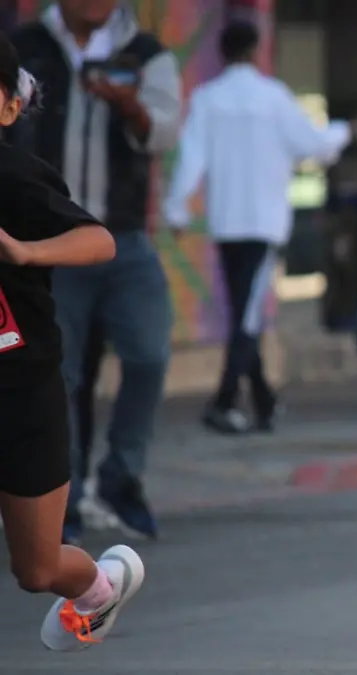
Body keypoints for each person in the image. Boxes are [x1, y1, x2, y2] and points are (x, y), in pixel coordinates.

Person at [9, 0, 183, 544]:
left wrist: (129, 104)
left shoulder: (146, 53)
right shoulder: (28, 44)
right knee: (58, 375)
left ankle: (121, 477)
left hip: (122, 234)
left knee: (150, 354)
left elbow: (164, 134)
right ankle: (65, 501)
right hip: (47, 238)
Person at [0, 40, 144, 652]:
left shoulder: (11, 177)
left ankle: (100, 587)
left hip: (20, 391)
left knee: (36, 570)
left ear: (9, 108)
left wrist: (27, 251)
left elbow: (98, 242)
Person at [163, 20, 350, 433]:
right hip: (264, 225)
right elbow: (313, 145)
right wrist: (343, 131)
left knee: (243, 311)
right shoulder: (273, 98)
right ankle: (225, 399)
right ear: (255, 50)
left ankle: (264, 400)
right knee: (247, 318)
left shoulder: (208, 100)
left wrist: (176, 211)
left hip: (227, 224)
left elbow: (191, 160)